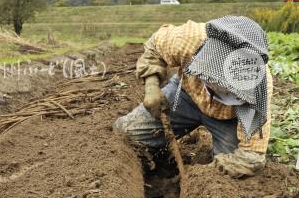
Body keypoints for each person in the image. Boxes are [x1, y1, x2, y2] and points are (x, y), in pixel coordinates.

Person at [113, 15, 273, 177]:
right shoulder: (189, 40)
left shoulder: (258, 89)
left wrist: (202, 175)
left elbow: (251, 155)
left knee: (232, 173)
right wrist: (152, 86)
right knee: (126, 133)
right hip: (186, 94)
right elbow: (155, 46)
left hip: (227, 119)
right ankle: (156, 163)